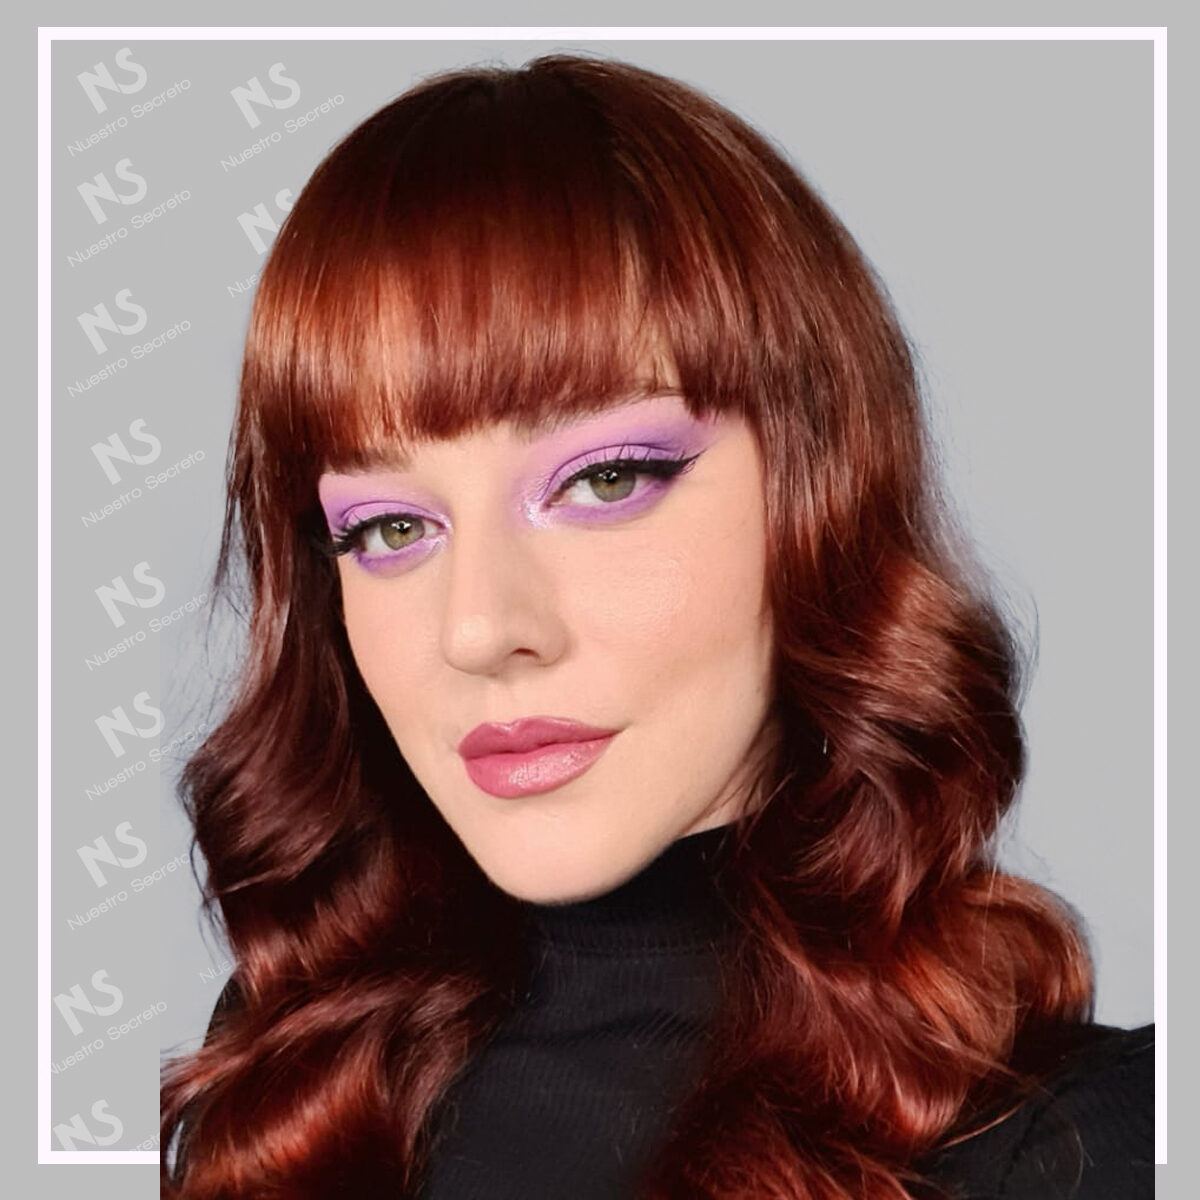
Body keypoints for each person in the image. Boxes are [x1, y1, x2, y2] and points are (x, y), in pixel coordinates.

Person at [159, 53, 1152, 1199]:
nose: (480, 628)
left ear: (818, 497)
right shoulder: (284, 1091)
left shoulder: (1089, 1146)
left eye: (605, 480)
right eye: (388, 528)